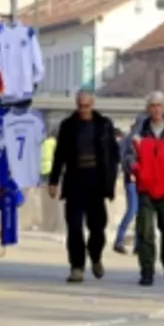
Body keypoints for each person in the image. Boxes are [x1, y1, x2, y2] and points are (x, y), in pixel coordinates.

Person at [47, 91, 118, 283]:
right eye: (80, 106)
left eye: (86, 106)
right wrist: (53, 181)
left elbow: (113, 156)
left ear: (92, 105)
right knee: (74, 226)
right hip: (75, 181)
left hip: (96, 181)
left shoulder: (104, 125)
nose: (83, 110)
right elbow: (59, 154)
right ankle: (76, 266)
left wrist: (111, 184)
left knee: (97, 227)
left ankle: (95, 256)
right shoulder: (68, 126)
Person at [126, 92, 164, 286]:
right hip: (145, 188)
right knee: (145, 233)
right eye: (152, 105)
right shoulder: (138, 133)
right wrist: (135, 167)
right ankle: (147, 271)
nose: (155, 109)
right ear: (147, 109)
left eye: (159, 105)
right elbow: (127, 155)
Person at [113, 127, 138, 255]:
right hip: (133, 178)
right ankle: (119, 239)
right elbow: (126, 157)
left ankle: (138, 244)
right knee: (133, 209)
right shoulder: (131, 139)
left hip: (142, 178)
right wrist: (132, 170)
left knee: (140, 211)